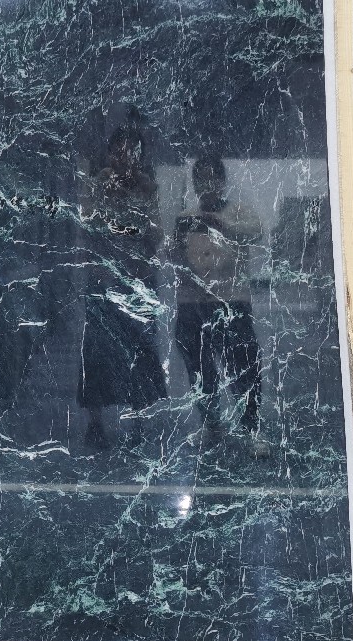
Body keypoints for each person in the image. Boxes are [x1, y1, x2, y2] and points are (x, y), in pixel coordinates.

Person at [77, 126, 167, 449]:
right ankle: (96, 423)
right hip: (103, 281)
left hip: (137, 280)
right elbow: (89, 225)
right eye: (118, 151)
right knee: (97, 352)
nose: (124, 158)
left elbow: (156, 235)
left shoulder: (147, 187)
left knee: (138, 350)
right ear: (110, 154)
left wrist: (144, 201)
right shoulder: (99, 184)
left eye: (131, 152)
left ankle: (137, 421)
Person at [173, 155, 263, 440]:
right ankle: (212, 424)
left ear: (223, 181)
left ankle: (251, 427)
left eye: (212, 178)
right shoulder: (186, 217)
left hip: (231, 301)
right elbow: (175, 256)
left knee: (244, 366)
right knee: (200, 371)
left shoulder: (239, 212)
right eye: (200, 179)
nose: (207, 185)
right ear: (195, 183)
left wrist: (220, 223)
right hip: (193, 303)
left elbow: (256, 232)